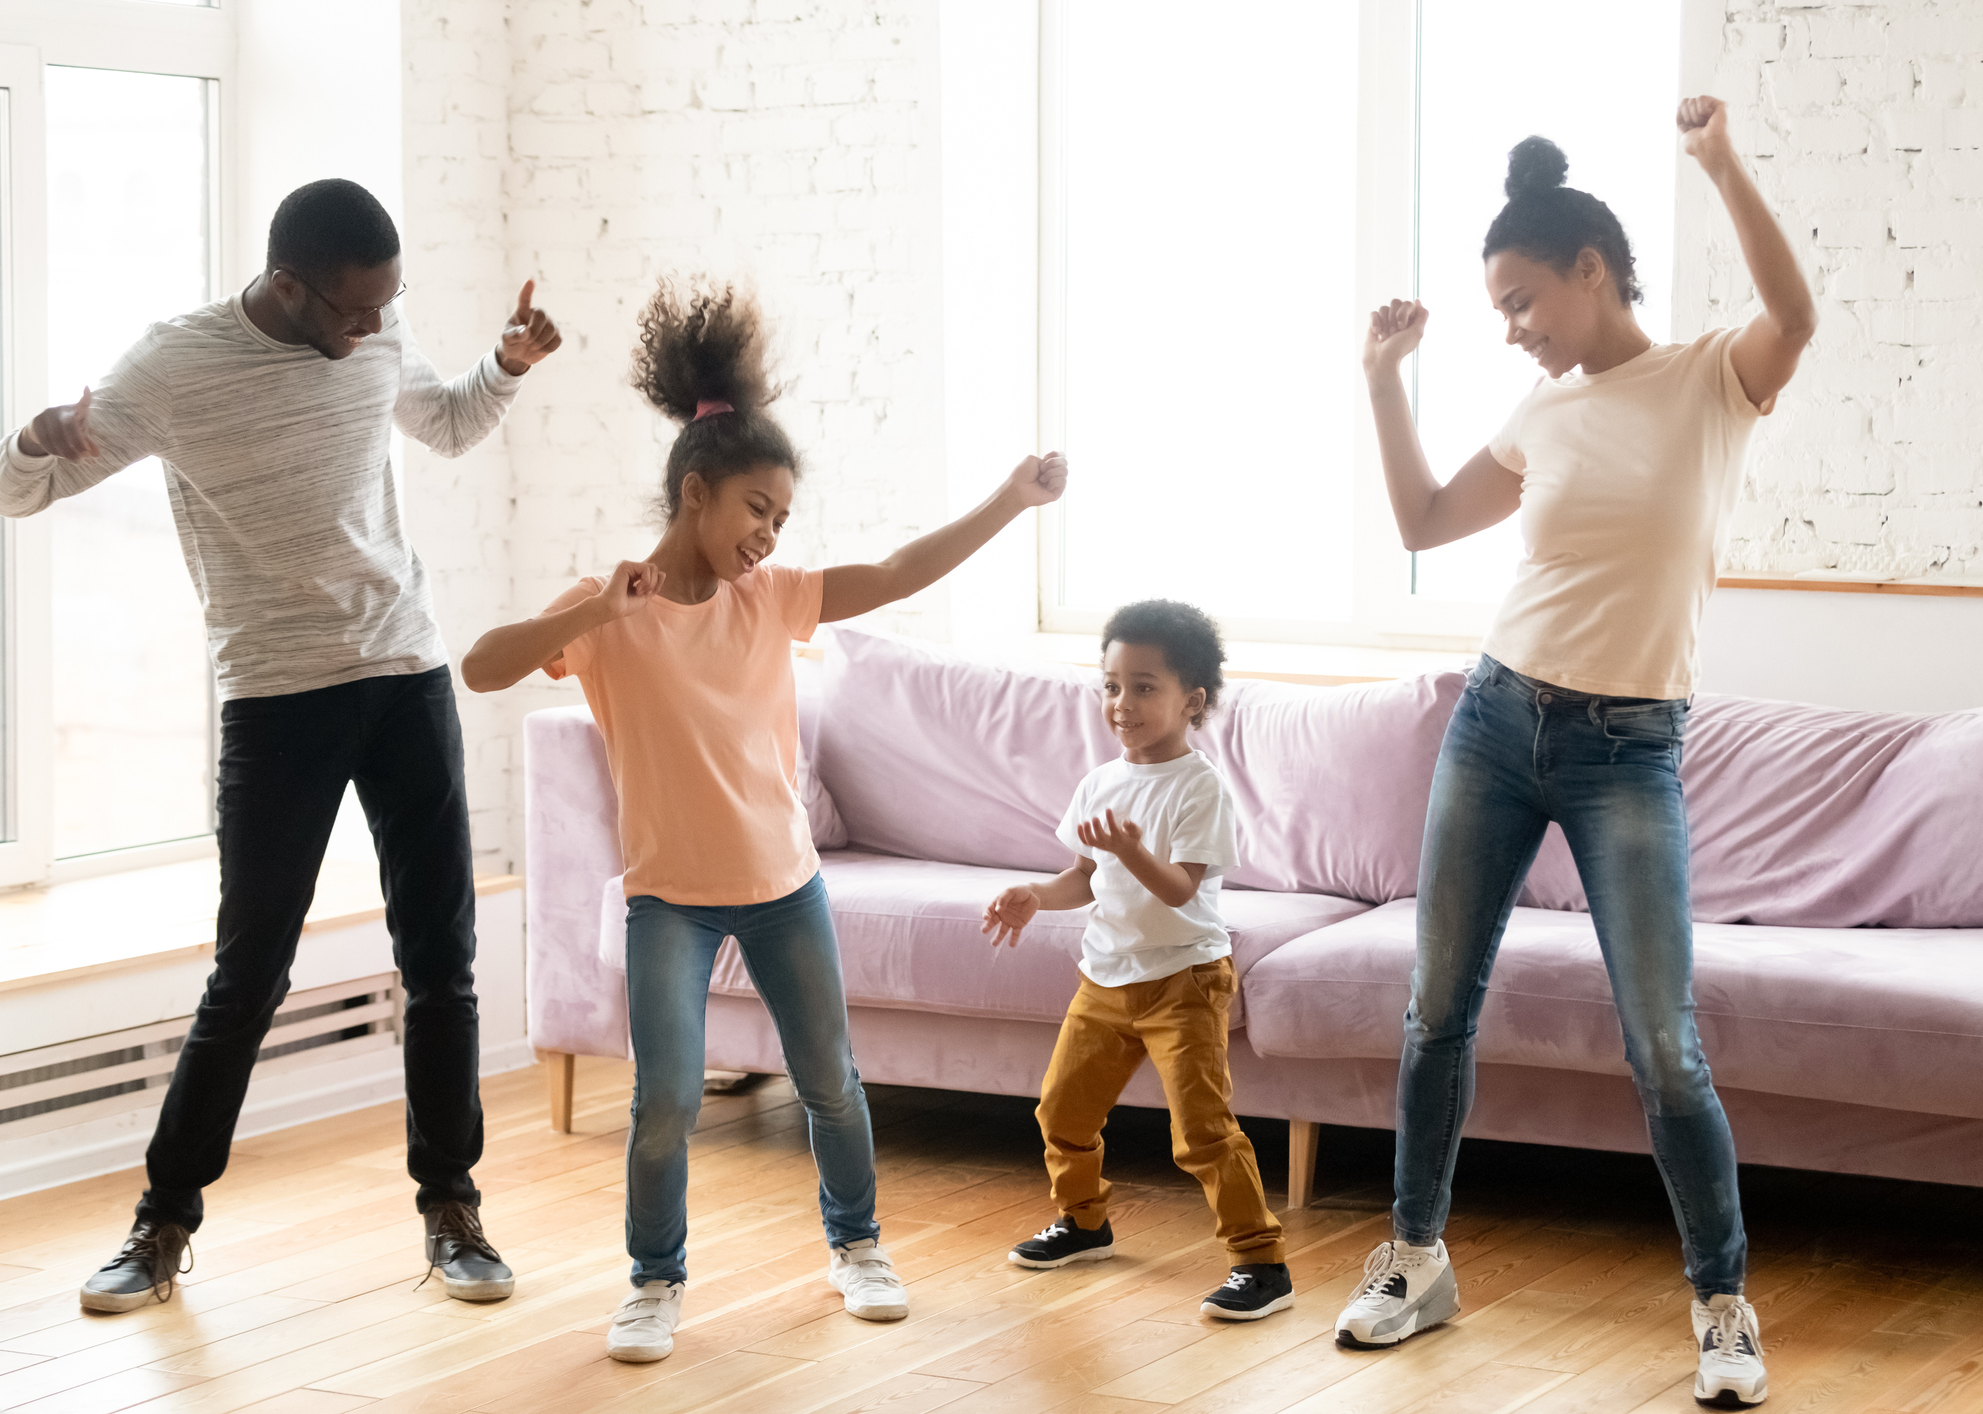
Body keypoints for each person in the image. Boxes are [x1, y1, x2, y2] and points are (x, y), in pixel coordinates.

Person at [461, 278, 1068, 1364]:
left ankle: (859, 1245)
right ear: (698, 494)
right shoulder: (613, 607)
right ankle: (654, 1280)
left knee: (831, 1081)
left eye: (782, 519)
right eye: (757, 511)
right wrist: (599, 608)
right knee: (663, 1101)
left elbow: (890, 574)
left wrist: (1008, 500)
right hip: (667, 902)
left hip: (786, 887)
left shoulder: (771, 597)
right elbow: (481, 666)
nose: (769, 535)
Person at [0, 178, 562, 1312]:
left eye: (386, 308)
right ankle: (160, 1224)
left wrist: (504, 366)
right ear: (289, 286)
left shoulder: (374, 319)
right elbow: (17, 494)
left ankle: (453, 1209)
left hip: (404, 672)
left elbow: (442, 422)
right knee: (248, 972)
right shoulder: (172, 371)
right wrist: (32, 435)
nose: (371, 331)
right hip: (277, 695)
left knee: (440, 960)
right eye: (353, 312)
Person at [1333, 99, 1813, 1408]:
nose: (1512, 326)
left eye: (1522, 299)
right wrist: (1382, 383)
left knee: (1664, 1041)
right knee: (1437, 1008)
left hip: (1627, 747)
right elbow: (1427, 516)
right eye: (1498, 307)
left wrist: (1720, 159)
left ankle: (1720, 1300)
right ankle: (1414, 1258)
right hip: (1495, 723)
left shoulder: (1712, 377)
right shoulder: (1540, 414)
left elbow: (1797, 313)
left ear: (1591, 269)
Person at [983, 600, 1291, 1322]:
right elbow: (1083, 878)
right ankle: (1083, 1222)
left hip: (1184, 981)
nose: (1123, 704)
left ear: (1192, 701)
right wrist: (1033, 894)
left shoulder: (1198, 787)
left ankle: (1259, 1262)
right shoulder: (1100, 780)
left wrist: (1129, 849)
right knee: (1060, 1110)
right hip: (1105, 978)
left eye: (1144, 687)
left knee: (1203, 1132)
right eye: (1111, 685)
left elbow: (1181, 889)